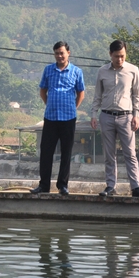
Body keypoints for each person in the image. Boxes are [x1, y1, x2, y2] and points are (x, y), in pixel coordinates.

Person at [90, 40, 139, 198]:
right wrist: (93, 114)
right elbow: (97, 95)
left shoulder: (133, 70)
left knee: (130, 153)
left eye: (122, 56)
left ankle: (136, 187)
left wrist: (137, 115)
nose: (119, 59)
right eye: (116, 56)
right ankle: (110, 185)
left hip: (126, 117)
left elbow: (137, 95)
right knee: (109, 154)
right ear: (110, 54)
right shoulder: (102, 71)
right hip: (106, 116)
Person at [30, 41, 85, 196]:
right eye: (56, 53)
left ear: (68, 53)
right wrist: (49, 104)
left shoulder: (76, 71)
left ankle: (63, 185)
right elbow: (43, 91)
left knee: (66, 153)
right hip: (51, 117)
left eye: (62, 53)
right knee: (46, 152)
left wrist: (74, 107)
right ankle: (44, 185)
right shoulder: (48, 70)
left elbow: (81, 93)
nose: (59, 56)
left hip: (68, 118)